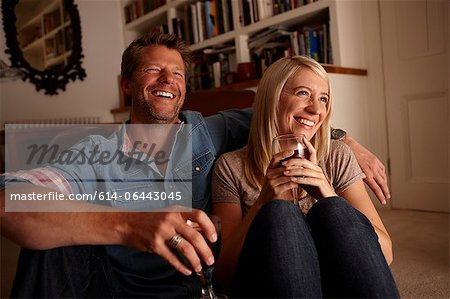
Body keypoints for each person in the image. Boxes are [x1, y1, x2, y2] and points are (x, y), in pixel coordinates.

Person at [1, 32, 391, 298]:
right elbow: (8, 200)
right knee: (50, 240)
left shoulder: (212, 131)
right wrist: (127, 224)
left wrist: (346, 141)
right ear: (126, 83)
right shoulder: (91, 151)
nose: (167, 80)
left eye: (178, 73)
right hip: (116, 283)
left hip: (194, 285)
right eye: (153, 70)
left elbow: (285, 114)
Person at [211, 56, 399, 298]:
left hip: (337, 284)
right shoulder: (230, 166)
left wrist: (329, 197)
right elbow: (224, 278)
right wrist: (262, 203)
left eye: (323, 99)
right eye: (303, 93)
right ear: (273, 97)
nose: (316, 109)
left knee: (332, 209)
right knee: (280, 213)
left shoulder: (336, 156)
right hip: (268, 285)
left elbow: (386, 255)